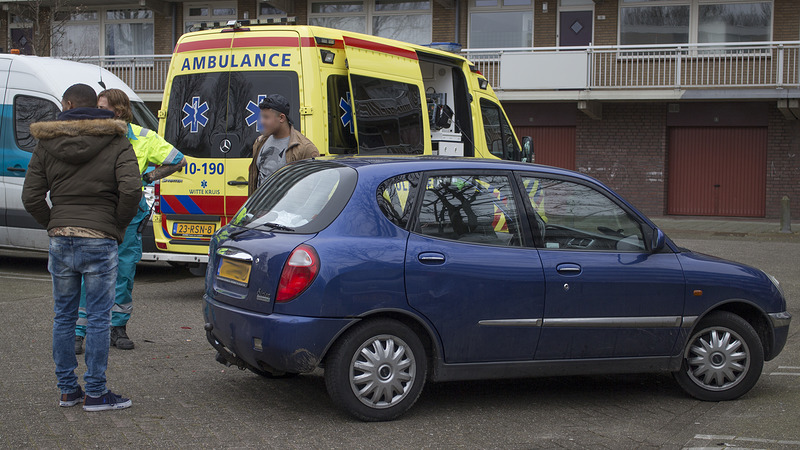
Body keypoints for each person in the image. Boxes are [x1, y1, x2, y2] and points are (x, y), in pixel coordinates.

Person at [22, 83, 140, 411]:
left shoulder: (47, 143)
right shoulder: (117, 140)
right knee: (100, 318)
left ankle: (67, 391)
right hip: (100, 238)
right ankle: (97, 393)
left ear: (70, 105)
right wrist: (115, 226)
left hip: (61, 237)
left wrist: (53, 222)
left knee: (64, 317)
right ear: (96, 107)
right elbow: (131, 189)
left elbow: (30, 196)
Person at [73, 89, 187, 353]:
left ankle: (118, 328)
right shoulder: (91, 135)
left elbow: (178, 160)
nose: (98, 112)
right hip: (96, 214)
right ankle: (79, 332)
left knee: (123, 274)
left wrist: (148, 178)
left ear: (120, 110)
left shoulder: (143, 138)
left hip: (130, 217)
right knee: (87, 273)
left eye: (103, 107)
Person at [248, 94, 319, 196]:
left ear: (281, 118)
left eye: (266, 117)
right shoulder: (260, 142)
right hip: (262, 211)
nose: (261, 121)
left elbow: (315, 190)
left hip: (288, 211)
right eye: (262, 117)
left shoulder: (305, 148)